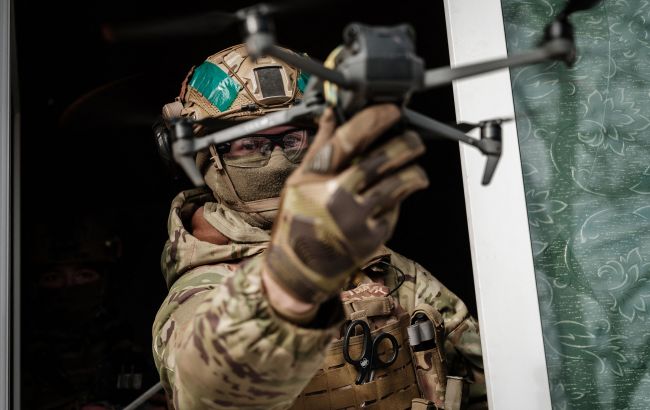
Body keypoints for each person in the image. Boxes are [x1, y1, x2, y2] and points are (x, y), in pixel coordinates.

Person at [152, 43, 487, 410]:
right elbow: (203, 387)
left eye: (292, 140)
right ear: (206, 157)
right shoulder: (199, 292)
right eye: (250, 144)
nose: (278, 161)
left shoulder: (381, 268)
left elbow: (491, 377)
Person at [23, 212, 162, 410]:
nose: (70, 287)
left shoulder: (132, 343)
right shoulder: (16, 351)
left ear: (104, 282)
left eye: (84, 275)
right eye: (53, 278)